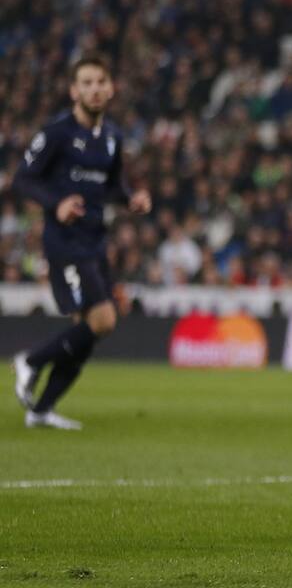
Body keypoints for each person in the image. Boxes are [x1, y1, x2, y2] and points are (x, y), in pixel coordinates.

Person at [11, 56, 153, 430]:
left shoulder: (112, 137)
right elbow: (23, 179)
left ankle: (41, 410)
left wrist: (131, 199)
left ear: (111, 89)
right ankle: (30, 360)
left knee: (87, 332)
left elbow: (113, 186)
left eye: (100, 82)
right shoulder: (56, 133)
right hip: (65, 243)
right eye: (86, 83)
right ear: (74, 91)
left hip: (95, 240)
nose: (94, 89)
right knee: (103, 320)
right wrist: (56, 204)